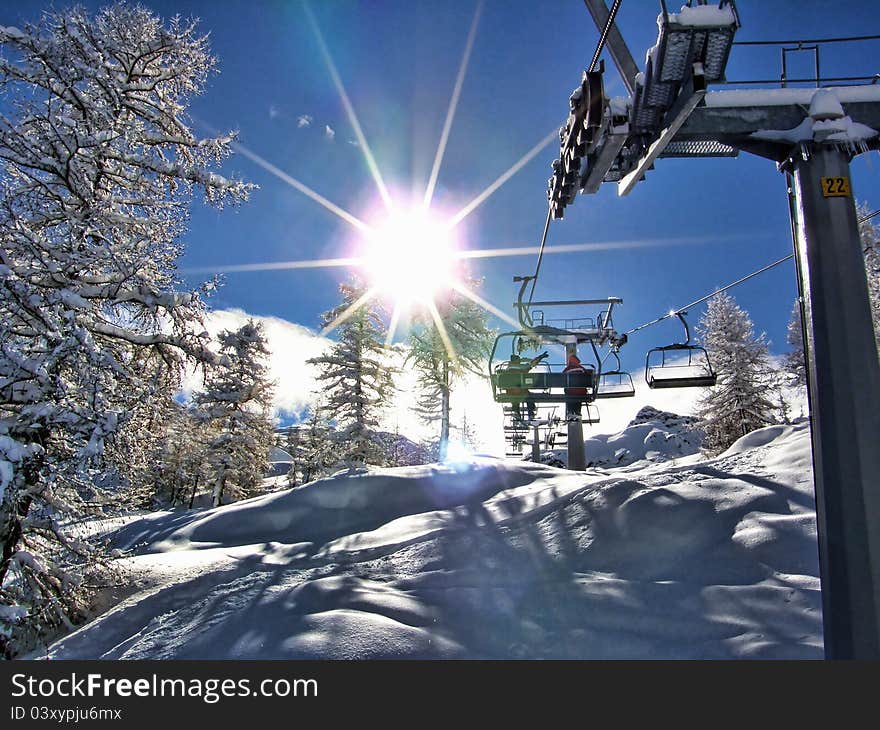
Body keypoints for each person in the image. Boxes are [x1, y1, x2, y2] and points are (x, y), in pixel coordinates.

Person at [504, 352, 546, 423]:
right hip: (523, 392)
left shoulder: (506, 370)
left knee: (514, 397)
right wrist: (540, 357)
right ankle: (530, 414)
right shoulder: (522, 368)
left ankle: (516, 412)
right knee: (529, 397)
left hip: (511, 392)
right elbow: (533, 363)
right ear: (517, 361)